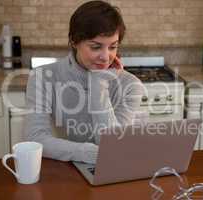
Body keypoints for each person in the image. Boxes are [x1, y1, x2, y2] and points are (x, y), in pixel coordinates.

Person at [24, 1, 144, 164]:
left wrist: (99, 84)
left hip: (110, 170)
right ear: (74, 41)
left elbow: (113, 144)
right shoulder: (42, 77)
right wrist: (90, 153)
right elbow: (36, 138)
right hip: (62, 173)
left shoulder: (130, 85)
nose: (105, 57)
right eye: (95, 47)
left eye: (113, 47)